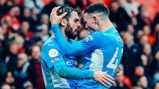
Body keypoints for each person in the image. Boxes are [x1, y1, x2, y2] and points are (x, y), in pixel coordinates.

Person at [50, 2, 124, 89]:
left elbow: (69, 50)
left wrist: (55, 26)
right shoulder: (118, 40)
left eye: (86, 22)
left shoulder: (99, 37)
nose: (85, 26)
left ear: (95, 19)